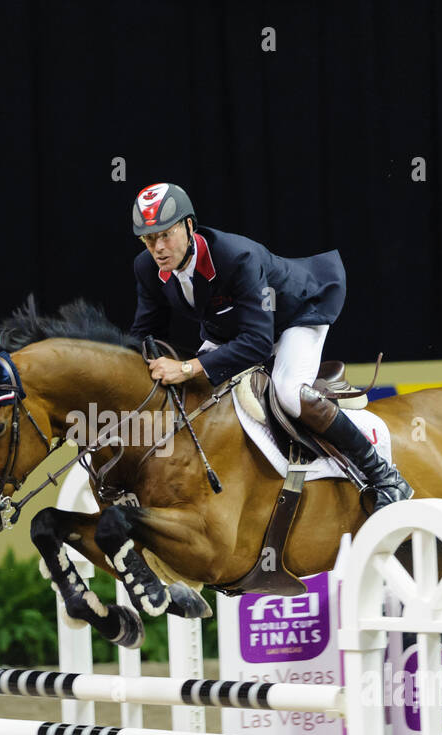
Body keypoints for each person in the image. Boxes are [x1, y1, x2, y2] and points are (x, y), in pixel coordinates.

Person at [129, 182, 411, 511]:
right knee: (195, 395)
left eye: (166, 235)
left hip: (296, 314)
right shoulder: (146, 268)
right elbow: (145, 332)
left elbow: (259, 343)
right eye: (149, 239)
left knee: (289, 390)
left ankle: (383, 474)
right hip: (235, 328)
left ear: (189, 226)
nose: (158, 247)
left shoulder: (237, 257)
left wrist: (187, 366)